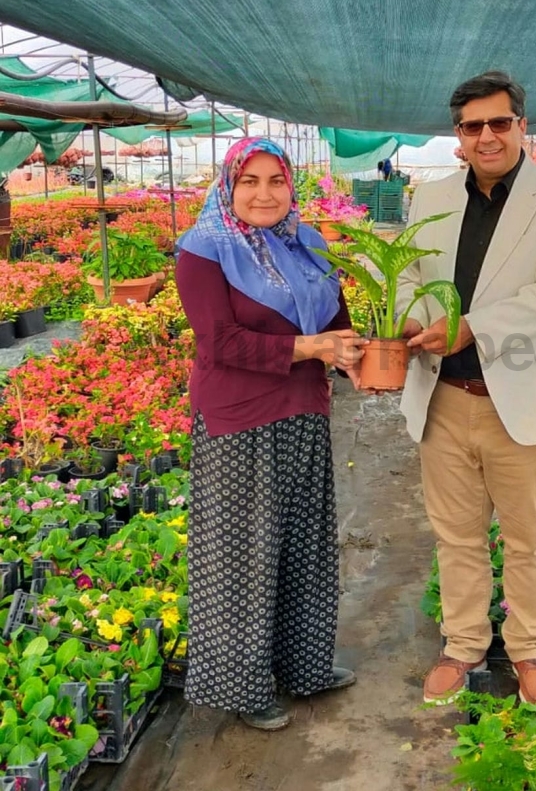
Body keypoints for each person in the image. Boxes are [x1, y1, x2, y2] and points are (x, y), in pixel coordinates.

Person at [395, 71, 536, 707]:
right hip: (445, 399)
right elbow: (406, 276)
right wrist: (407, 320)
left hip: (525, 400)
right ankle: (463, 645)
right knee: (456, 536)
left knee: (528, 537)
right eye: (472, 126)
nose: (486, 136)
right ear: (458, 134)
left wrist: (469, 328)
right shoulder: (430, 198)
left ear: (521, 126)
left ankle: (531, 649)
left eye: (499, 123)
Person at [175, 137, 367, 731]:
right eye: (250, 181)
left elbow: (335, 319)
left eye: (276, 180)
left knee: (304, 546)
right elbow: (220, 343)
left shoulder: (307, 243)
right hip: (239, 420)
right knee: (243, 558)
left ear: (291, 186)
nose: (265, 194)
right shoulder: (204, 249)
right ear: (228, 186)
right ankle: (244, 687)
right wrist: (311, 348)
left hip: (303, 410)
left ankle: (305, 667)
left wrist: (361, 357)